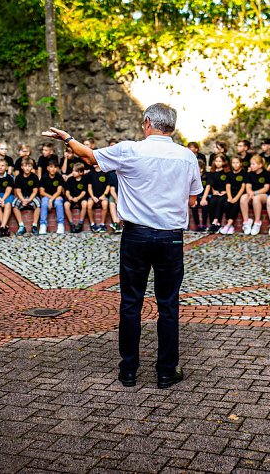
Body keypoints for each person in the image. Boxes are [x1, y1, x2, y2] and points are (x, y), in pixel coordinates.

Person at [42, 102, 202, 389]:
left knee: (131, 302)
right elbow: (192, 199)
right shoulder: (187, 157)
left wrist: (66, 138)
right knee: (168, 305)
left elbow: (90, 158)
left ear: (147, 122)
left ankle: (128, 370)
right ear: (172, 126)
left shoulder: (130, 150)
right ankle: (166, 372)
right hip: (171, 237)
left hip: (136, 236)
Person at [240, 155, 270, 235]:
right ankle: (246, 222)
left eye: (253, 164)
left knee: (256, 198)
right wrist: (250, 193)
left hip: (263, 195)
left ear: (260, 165)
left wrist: (255, 193)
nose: (251, 166)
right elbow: (248, 187)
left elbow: (266, 188)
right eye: (251, 164)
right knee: (243, 198)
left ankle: (257, 222)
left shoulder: (266, 174)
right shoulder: (249, 174)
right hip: (252, 194)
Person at [219, 156, 246, 235]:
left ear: (241, 163)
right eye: (233, 163)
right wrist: (230, 197)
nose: (235, 165)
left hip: (240, 194)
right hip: (231, 193)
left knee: (236, 204)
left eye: (237, 163)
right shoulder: (229, 174)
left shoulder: (244, 173)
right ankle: (230, 226)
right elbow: (228, 186)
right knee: (227, 203)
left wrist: (236, 198)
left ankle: (228, 225)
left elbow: (243, 187)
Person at [13, 158, 40, 235]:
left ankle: (34, 226)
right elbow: (18, 191)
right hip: (22, 196)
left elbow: (35, 191)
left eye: (29, 166)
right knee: (14, 205)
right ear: (22, 167)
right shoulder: (18, 177)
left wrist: (29, 200)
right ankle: (21, 226)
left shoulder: (34, 177)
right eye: (25, 166)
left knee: (38, 204)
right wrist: (23, 200)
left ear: (32, 167)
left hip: (32, 196)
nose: (27, 168)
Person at [38, 159, 65, 234]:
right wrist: (50, 199)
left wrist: (52, 199)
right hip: (47, 196)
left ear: (57, 169)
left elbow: (59, 191)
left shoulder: (59, 177)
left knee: (58, 203)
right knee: (44, 203)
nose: (53, 169)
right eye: (51, 167)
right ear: (48, 168)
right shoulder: (44, 177)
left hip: (57, 196)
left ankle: (60, 224)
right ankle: (43, 225)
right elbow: (42, 192)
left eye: (55, 167)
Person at [63, 163, 91, 232]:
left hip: (80, 197)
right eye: (73, 171)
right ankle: (71, 224)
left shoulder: (84, 179)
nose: (73, 173)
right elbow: (67, 191)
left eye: (75, 171)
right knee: (66, 205)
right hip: (72, 197)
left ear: (81, 172)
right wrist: (69, 197)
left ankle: (80, 223)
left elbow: (84, 192)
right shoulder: (70, 180)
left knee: (85, 204)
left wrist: (78, 198)